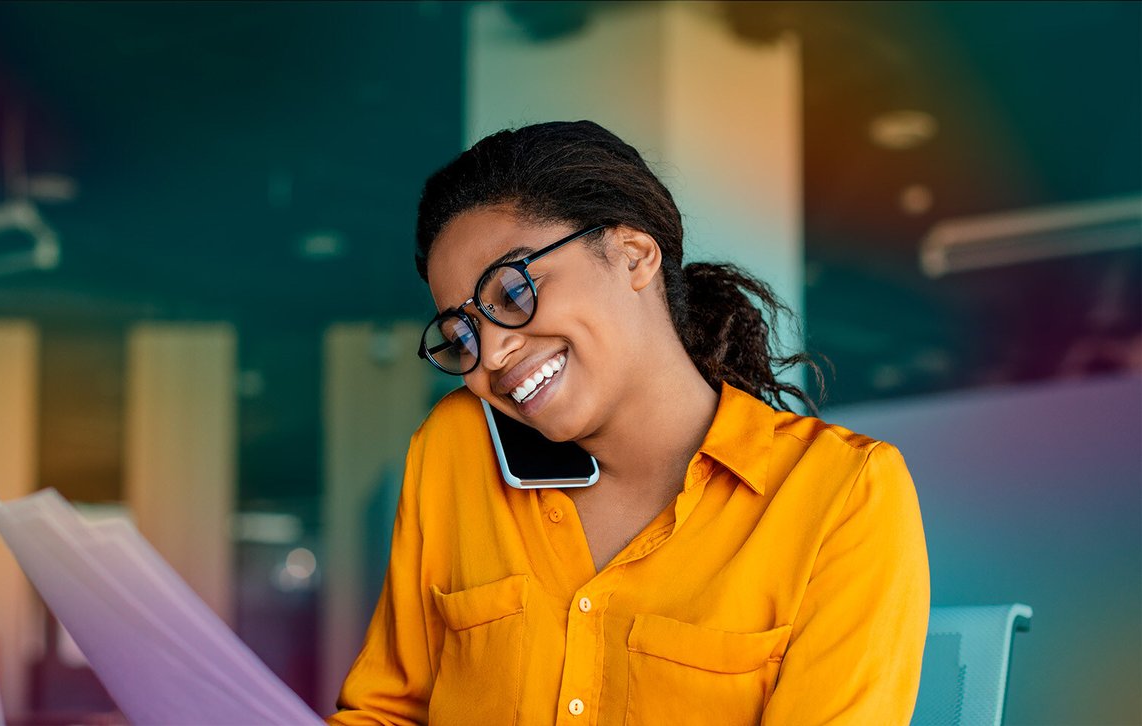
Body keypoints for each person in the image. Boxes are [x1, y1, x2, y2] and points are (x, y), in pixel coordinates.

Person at [325, 120, 930, 725]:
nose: (492, 355)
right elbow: (387, 713)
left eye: (513, 293)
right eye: (462, 335)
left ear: (633, 255)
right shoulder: (457, 445)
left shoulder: (841, 495)